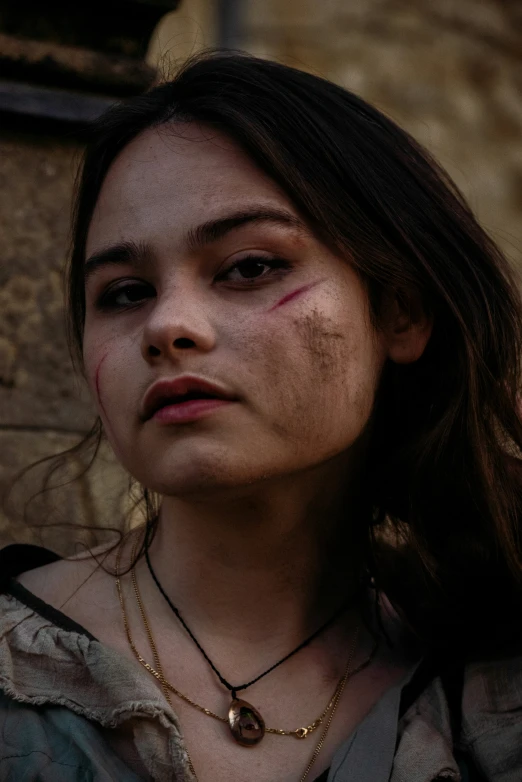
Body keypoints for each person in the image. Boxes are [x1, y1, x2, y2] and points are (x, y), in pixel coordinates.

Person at [0, 50, 521, 782]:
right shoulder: (16, 676)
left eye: (249, 266)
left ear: (399, 309)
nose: (167, 326)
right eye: (124, 292)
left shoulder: (491, 692)